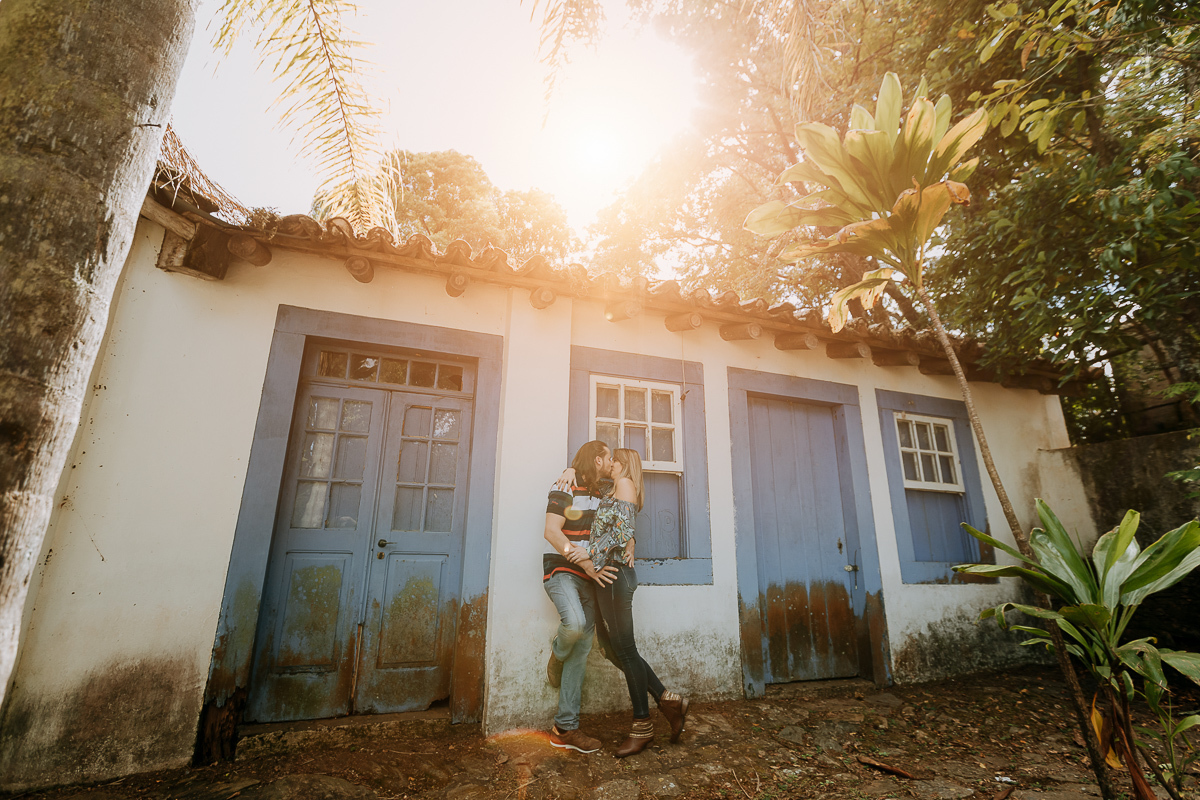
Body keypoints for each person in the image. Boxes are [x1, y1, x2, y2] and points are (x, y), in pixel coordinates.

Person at [567, 447, 689, 757]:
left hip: (614, 576)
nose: (609, 464)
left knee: (626, 650)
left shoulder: (624, 484)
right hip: (608, 576)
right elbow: (621, 524)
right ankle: (668, 700)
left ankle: (642, 726)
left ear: (623, 464)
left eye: (614, 460)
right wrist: (570, 470)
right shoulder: (613, 488)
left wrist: (589, 556)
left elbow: (621, 531)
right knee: (611, 649)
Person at [542, 440, 619, 753]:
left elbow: (628, 492)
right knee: (573, 626)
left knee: (585, 645)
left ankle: (565, 727)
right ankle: (557, 654)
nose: (611, 462)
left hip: (591, 580)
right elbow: (551, 531)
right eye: (608, 457)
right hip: (561, 573)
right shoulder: (564, 487)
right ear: (598, 460)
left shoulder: (604, 492)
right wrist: (584, 560)